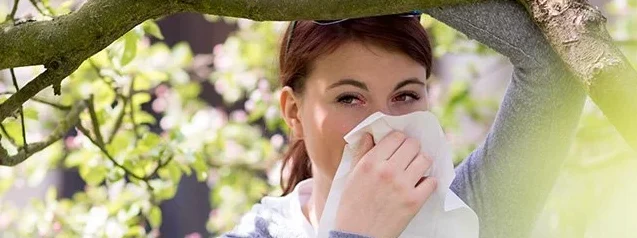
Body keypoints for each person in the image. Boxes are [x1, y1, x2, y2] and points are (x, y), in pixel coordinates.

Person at [222, 0, 586, 237]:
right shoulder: (257, 233)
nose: (382, 126)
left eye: (406, 95)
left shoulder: (470, 211)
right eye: (349, 98)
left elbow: (556, 63)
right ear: (293, 113)